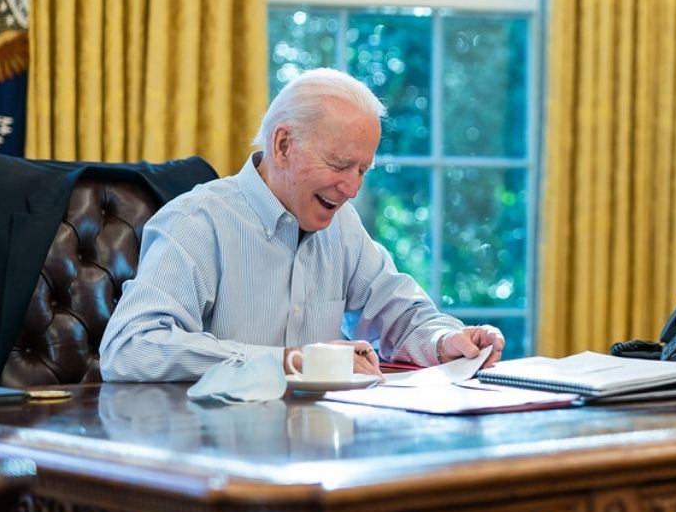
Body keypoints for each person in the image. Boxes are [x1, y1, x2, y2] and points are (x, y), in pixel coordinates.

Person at [99, 68, 505, 381]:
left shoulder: (341, 227)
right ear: (283, 145)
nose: (352, 188)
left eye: (363, 169)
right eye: (340, 165)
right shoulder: (197, 221)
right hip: (214, 458)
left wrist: (444, 341)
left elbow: (399, 314)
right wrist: (289, 362)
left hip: (320, 456)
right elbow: (130, 348)